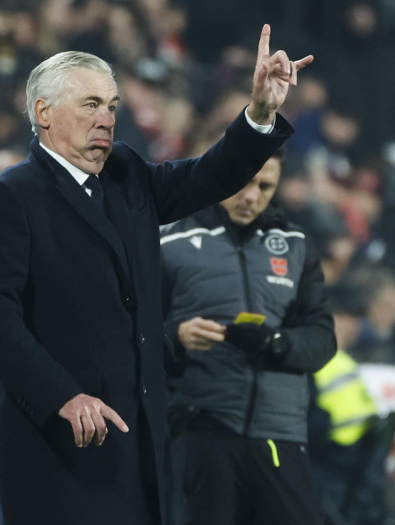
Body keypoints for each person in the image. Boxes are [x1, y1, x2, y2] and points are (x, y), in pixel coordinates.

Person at [0, 24, 312, 525]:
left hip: (141, 442)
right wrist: (61, 395)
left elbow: (206, 176)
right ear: (43, 113)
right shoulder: (12, 196)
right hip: (61, 446)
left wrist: (259, 113)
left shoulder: (127, 174)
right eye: (89, 104)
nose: (106, 117)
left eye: (111, 104)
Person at [160, 150, 335, 524]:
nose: (252, 196)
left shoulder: (295, 244)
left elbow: (323, 339)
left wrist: (275, 343)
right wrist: (176, 336)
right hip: (200, 431)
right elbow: (130, 331)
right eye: (243, 183)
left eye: (265, 186)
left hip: (280, 435)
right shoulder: (167, 238)